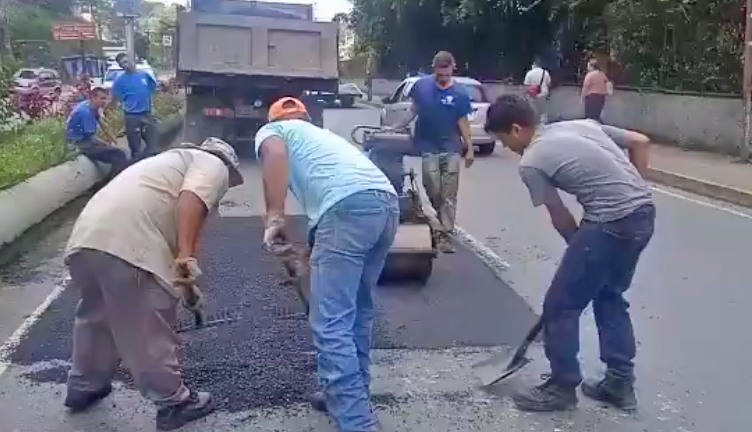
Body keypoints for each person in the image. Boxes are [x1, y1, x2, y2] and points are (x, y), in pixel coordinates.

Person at [483, 94, 655, 413]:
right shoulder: (581, 125)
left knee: (560, 306)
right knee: (609, 296)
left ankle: (561, 386)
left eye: (504, 139)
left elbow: (559, 214)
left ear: (518, 129)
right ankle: (619, 382)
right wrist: (633, 193)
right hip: (643, 215)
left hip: (608, 224)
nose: (506, 147)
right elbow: (640, 142)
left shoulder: (531, 162)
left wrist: (580, 244)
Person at [63, 138, 244, 431]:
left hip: (87, 237)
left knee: (97, 316)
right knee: (146, 324)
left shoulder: (162, 165)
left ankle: (84, 385)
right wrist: (186, 259)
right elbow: (191, 199)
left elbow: (177, 222)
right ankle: (173, 402)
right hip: (129, 240)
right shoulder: (212, 163)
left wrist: (186, 286)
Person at [256, 97, 399, 432]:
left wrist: (275, 215)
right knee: (358, 312)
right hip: (385, 205)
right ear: (306, 118)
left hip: (346, 210)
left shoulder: (273, 132)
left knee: (331, 322)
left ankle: (356, 422)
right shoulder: (325, 140)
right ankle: (350, 395)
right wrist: (307, 252)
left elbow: (275, 155)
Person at [389, 50, 474, 253]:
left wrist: (469, 147)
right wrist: (396, 127)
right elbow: (413, 110)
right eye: (439, 75)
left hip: (451, 148)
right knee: (433, 187)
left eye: (446, 75)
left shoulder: (461, 93)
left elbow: (463, 122)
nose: (443, 79)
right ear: (434, 69)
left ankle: (445, 233)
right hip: (427, 146)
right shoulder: (421, 87)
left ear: (453, 68)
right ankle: (437, 218)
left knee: (449, 193)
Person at [66, 87, 129, 179]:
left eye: (106, 98)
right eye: (102, 98)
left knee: (117, 152)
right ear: (93, 98)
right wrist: (110, 146)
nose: (105, 101)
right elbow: (92, 138)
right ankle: (110, 182)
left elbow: (104, 125)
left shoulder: (90, 106)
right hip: (79, 145)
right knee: (119, 155)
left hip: (85, 141)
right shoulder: (85, 112)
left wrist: (115, 142)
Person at [111, 53, 159, 160]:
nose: (125, 65)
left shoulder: (144, 75)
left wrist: (153, 107)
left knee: (153, 143)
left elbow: (151, 92)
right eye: (122, 64)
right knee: (135, 147)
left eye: (126, 61)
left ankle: (152, 163)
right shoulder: (120, 80)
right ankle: (136, 164)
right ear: (120, 66)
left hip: (147, 114)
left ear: (132, 61)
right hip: (132, 116)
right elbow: (115, 99)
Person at [523, 59, 552, 124]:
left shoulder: (529, 73)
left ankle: (534, 124)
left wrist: (525, 95)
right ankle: (543, 125)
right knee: (543, 111)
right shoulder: (546, 72)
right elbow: (549, 84)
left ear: (534, 65)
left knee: (533, 110)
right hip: (543, 93)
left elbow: (526, 85)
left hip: (532, 95)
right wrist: (549, 94)